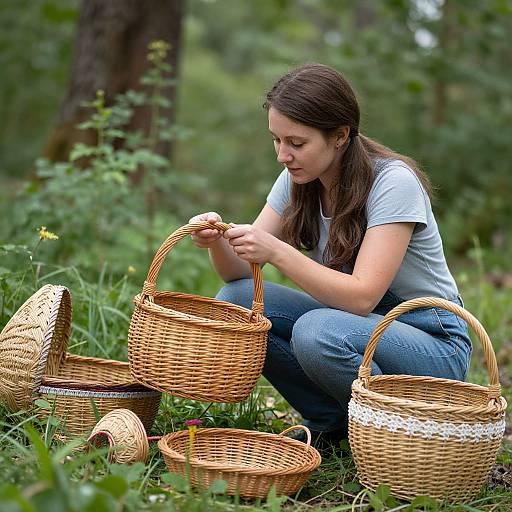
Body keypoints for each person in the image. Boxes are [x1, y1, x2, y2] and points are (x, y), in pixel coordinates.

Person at [189, 63, 471, 449]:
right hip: (359, 326)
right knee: (238, 304)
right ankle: (331, 420)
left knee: (318, 332)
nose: (283, 155)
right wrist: (217, 239)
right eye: (277, 140)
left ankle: (388, 435)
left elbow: (361, 297)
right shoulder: (298, 178)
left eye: (296, 143)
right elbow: (238, 275)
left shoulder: (392, 182)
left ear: (340, 136)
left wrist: (277, 251)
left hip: (431, 341)